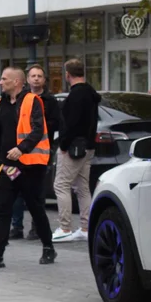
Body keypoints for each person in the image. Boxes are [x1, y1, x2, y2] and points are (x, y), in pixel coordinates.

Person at [0, 67, 56, 269]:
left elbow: (38, 130)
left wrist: (22, 149)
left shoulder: (32, 101)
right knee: (3, 208)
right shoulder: (1, 104)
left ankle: (48, 247)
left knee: (35, 207)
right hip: (9, 166)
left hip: (30, 166)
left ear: (16, 82)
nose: (1, 82)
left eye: (4, 79)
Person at [10, 64, 62, 241]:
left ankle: (36, 228)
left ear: (44, 80)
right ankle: (16, 226)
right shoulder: (20, 98)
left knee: (37, 193)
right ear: (28, 79)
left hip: (40, 154)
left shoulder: (50, 101)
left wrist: (41, 128)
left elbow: (56, 123)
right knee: (16, 190)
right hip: (19, 153)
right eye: (33, 76)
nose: (36, 78)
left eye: (40, 76)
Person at [52, 58, 101, 243]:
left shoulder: (75, 95)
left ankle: (65, 227)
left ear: (67, 74)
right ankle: (86, 227)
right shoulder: (91, 94)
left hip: (73, 147)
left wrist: (63, 145)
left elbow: (70, 124)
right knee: (82, 187)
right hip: (87, 146)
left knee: (61, 185)